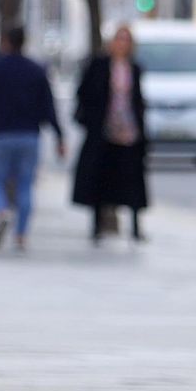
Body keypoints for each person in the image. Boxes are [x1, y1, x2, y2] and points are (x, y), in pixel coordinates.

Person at [0, 24, 65, 251]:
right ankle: (21, 235)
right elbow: (49, 106)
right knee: (25, 185)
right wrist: (59, 135)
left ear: (5, 41)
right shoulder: (36, 70)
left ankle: (0, 211)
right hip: (29, 135)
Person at [72, 24, 149, 244]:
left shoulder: (134, 68)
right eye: (119, 39)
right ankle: (97, 225)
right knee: (100, 179)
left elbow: (138, 100)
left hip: (129, 132)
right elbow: (85, 93)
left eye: (126, 40)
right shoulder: (99, 65)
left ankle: (135, 227)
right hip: (103, 131)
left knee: (131, 180)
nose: (122, 44)